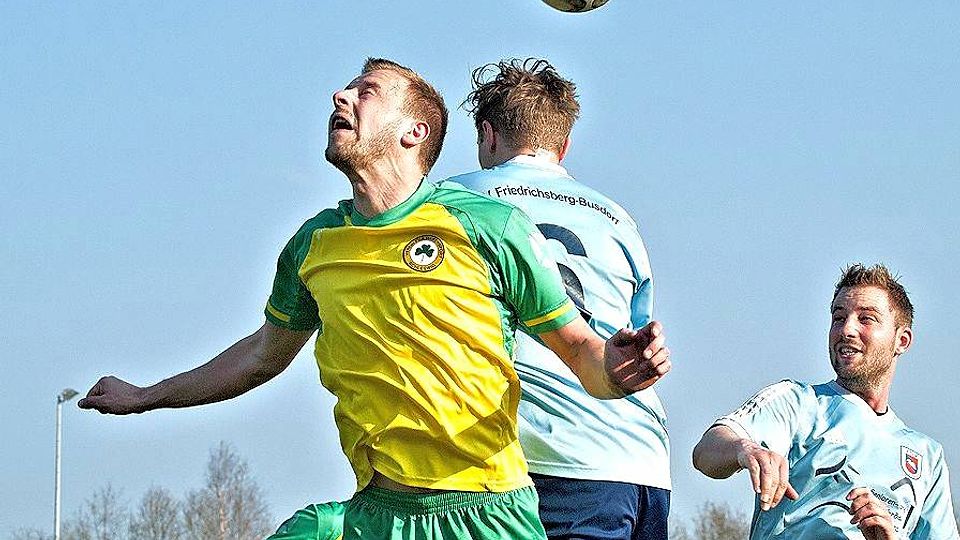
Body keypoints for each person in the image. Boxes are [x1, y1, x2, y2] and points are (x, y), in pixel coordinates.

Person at [79, 58, 671, 540]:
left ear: (415, 133)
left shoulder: (489, 225)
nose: (340, 96)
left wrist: (619, 369)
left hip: (486, 515)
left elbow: (583, 354)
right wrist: (146, 396)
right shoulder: (313, 245)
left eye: (367, 92)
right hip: (373, 514)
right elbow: (261, 356)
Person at [449, 58, 670, 540]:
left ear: (487, 135)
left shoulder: (452, 201)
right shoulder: (618, 219)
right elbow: (633, 340)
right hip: (641, 460)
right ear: (563, 145)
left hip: (546, 460)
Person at [692, 264, 959, 539]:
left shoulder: (927, 456)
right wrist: (744, 448)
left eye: (866, 319)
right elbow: (705, 452)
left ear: (901, 341)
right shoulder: (798, 402)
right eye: (839, 318)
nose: (847, 330)